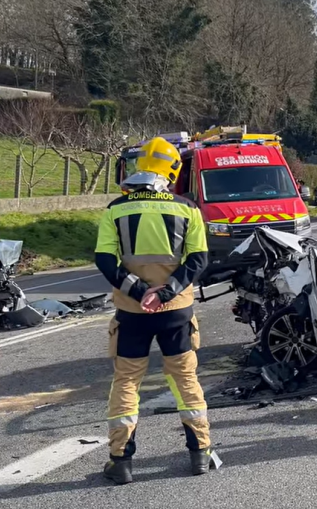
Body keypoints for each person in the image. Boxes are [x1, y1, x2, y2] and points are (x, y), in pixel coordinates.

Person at [95, 136, 215, 485]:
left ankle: (120, 461)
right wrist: (165, 292)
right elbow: (199, 259)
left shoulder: (115, 209)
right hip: (176, 309)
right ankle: (200, 454)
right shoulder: (187, 209)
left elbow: (105, 259)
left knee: (127, 381)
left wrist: (139, 291)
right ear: (172, 171)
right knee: (185, 379)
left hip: (132, 312)